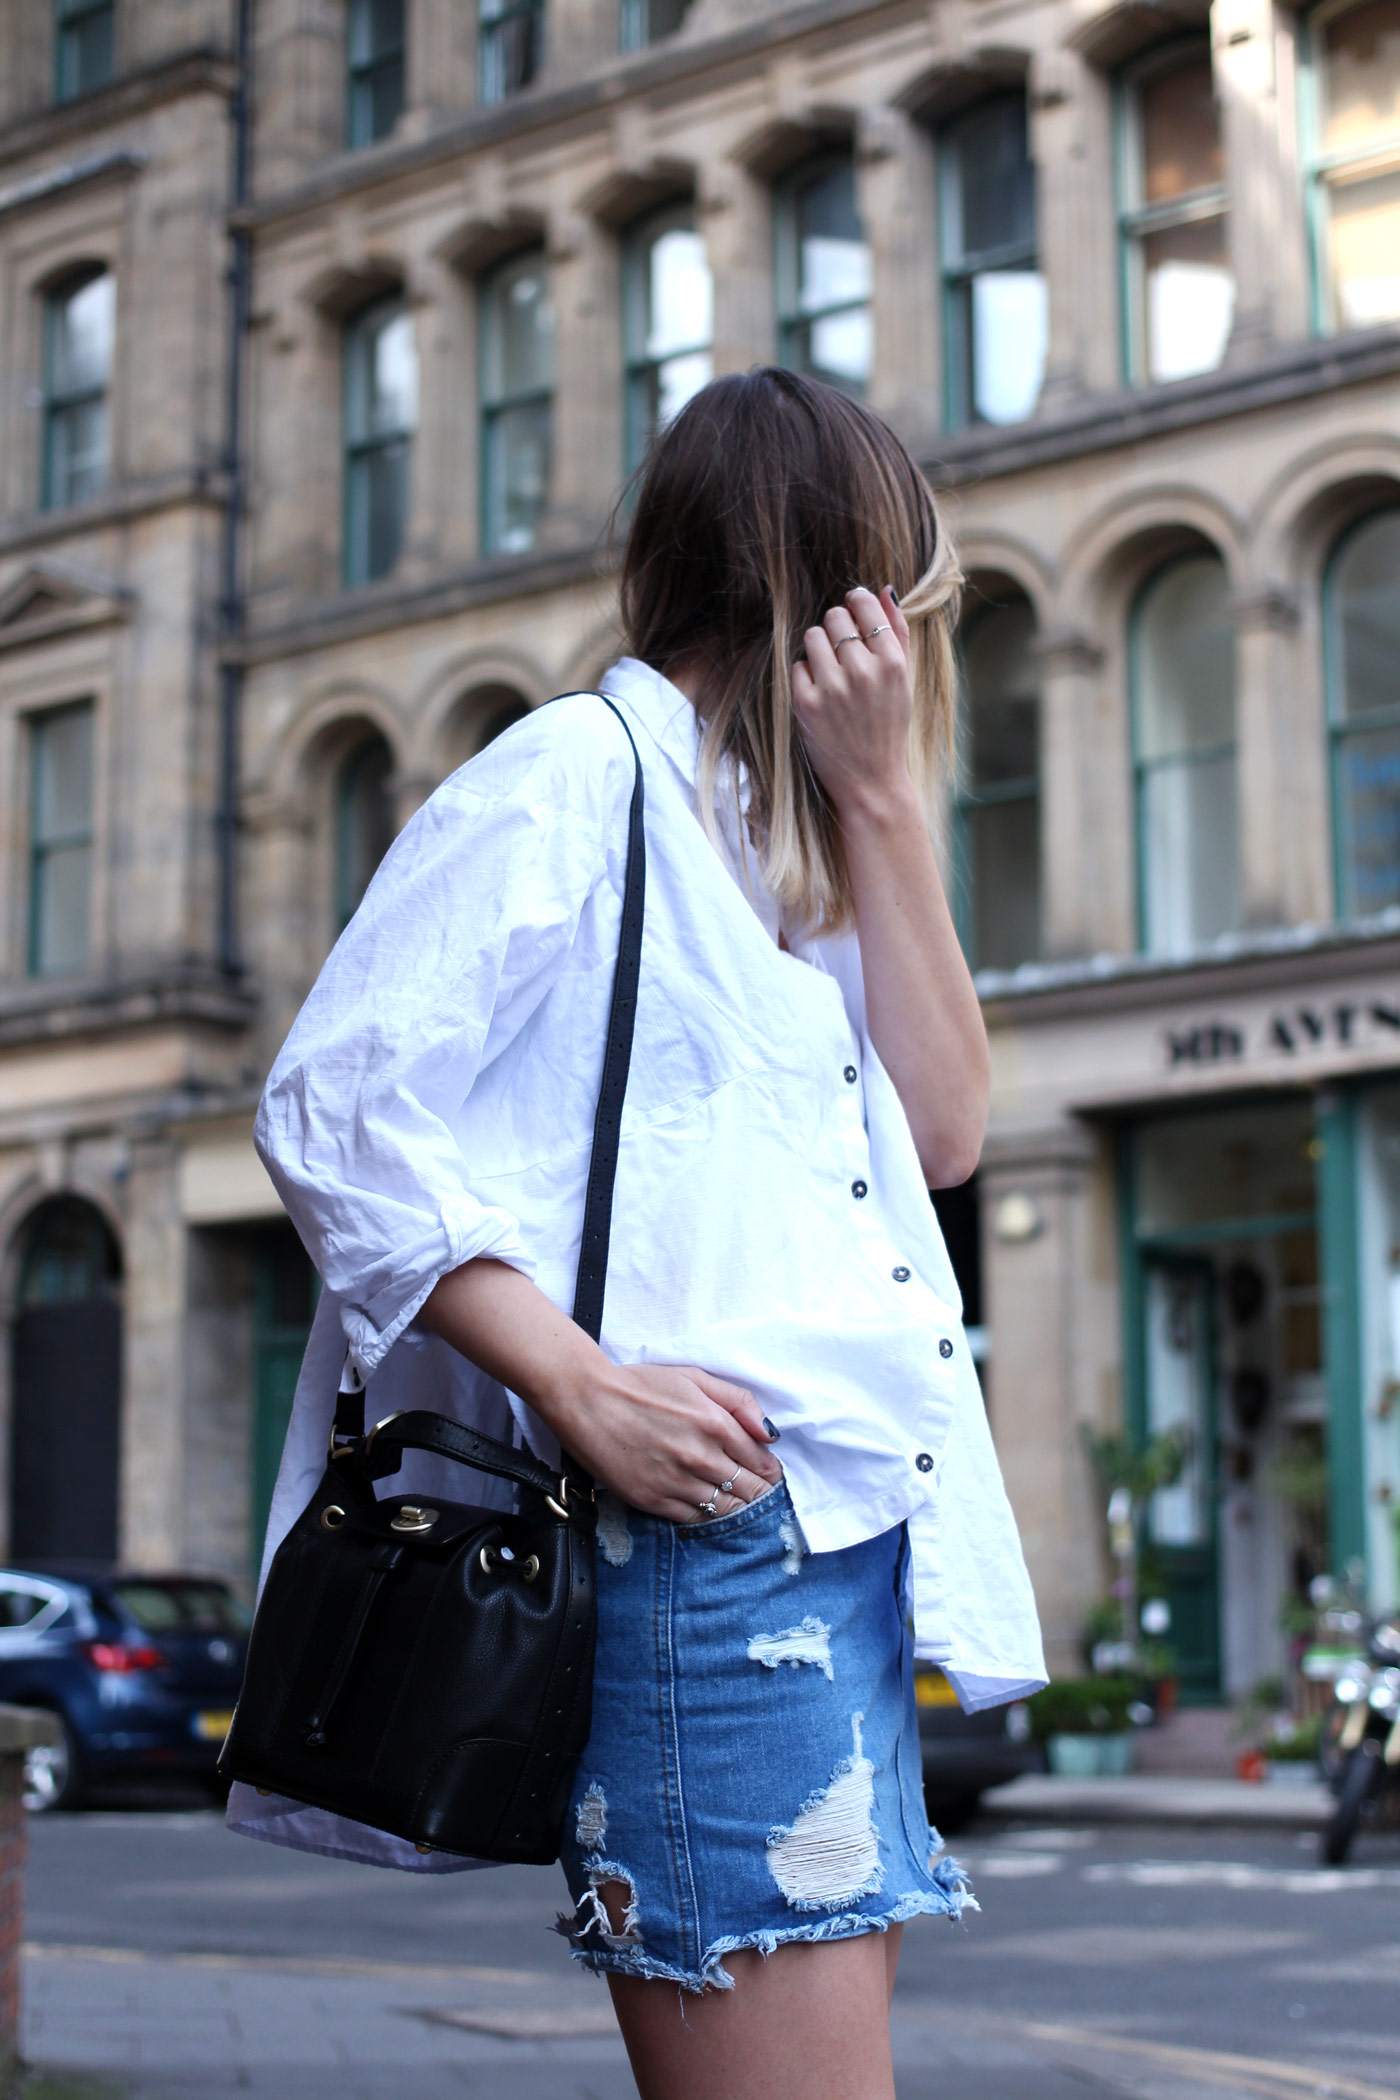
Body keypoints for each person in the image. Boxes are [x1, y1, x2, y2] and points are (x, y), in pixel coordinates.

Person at [226, 365, 1047, 2100]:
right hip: (707, 1554)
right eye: (901, 597)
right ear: (831, 596)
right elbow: (333, 1106)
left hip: (843, 1543)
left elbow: (953, 1131)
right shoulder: (573, 782)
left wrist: (888, 803)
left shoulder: (793, 837)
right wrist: (581, 1385)